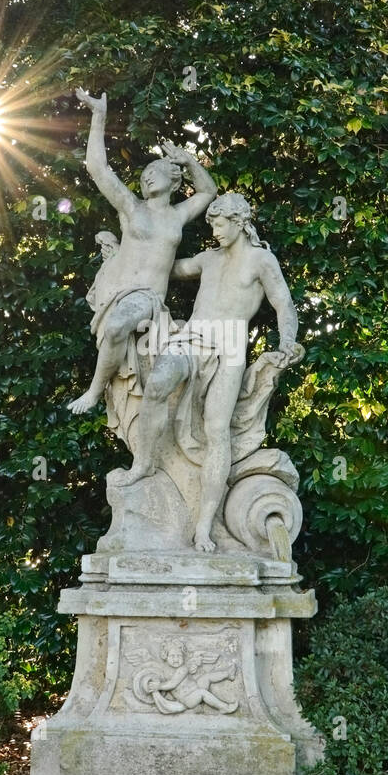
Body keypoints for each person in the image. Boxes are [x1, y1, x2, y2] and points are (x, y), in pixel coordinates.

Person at [116, 192, 304, 552]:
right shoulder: (208, 260)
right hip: (192, 338)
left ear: (239, 222)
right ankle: (143, 463)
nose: (215, 231)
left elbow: (284, 304)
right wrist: (132, 246)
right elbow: (165, 267)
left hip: (231, 345)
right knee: (157, 384)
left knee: (218, 432)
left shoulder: (260, 260)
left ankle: (204, 527)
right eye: (213, 224)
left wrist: (287, 342)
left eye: (220, 224)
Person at [68, 89, 216, 414]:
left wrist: (188, 160)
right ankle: (95, 392)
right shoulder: (132, 209)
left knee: (120, 328)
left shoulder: (178, 214)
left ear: (174, 181)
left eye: (155, 172)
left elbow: (208, 191)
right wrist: (99, 116)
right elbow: (97, 168)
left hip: (150, 298)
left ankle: (95, 392)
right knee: (118, 326)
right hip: (122, 293)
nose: (147, 177)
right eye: (145, 174)